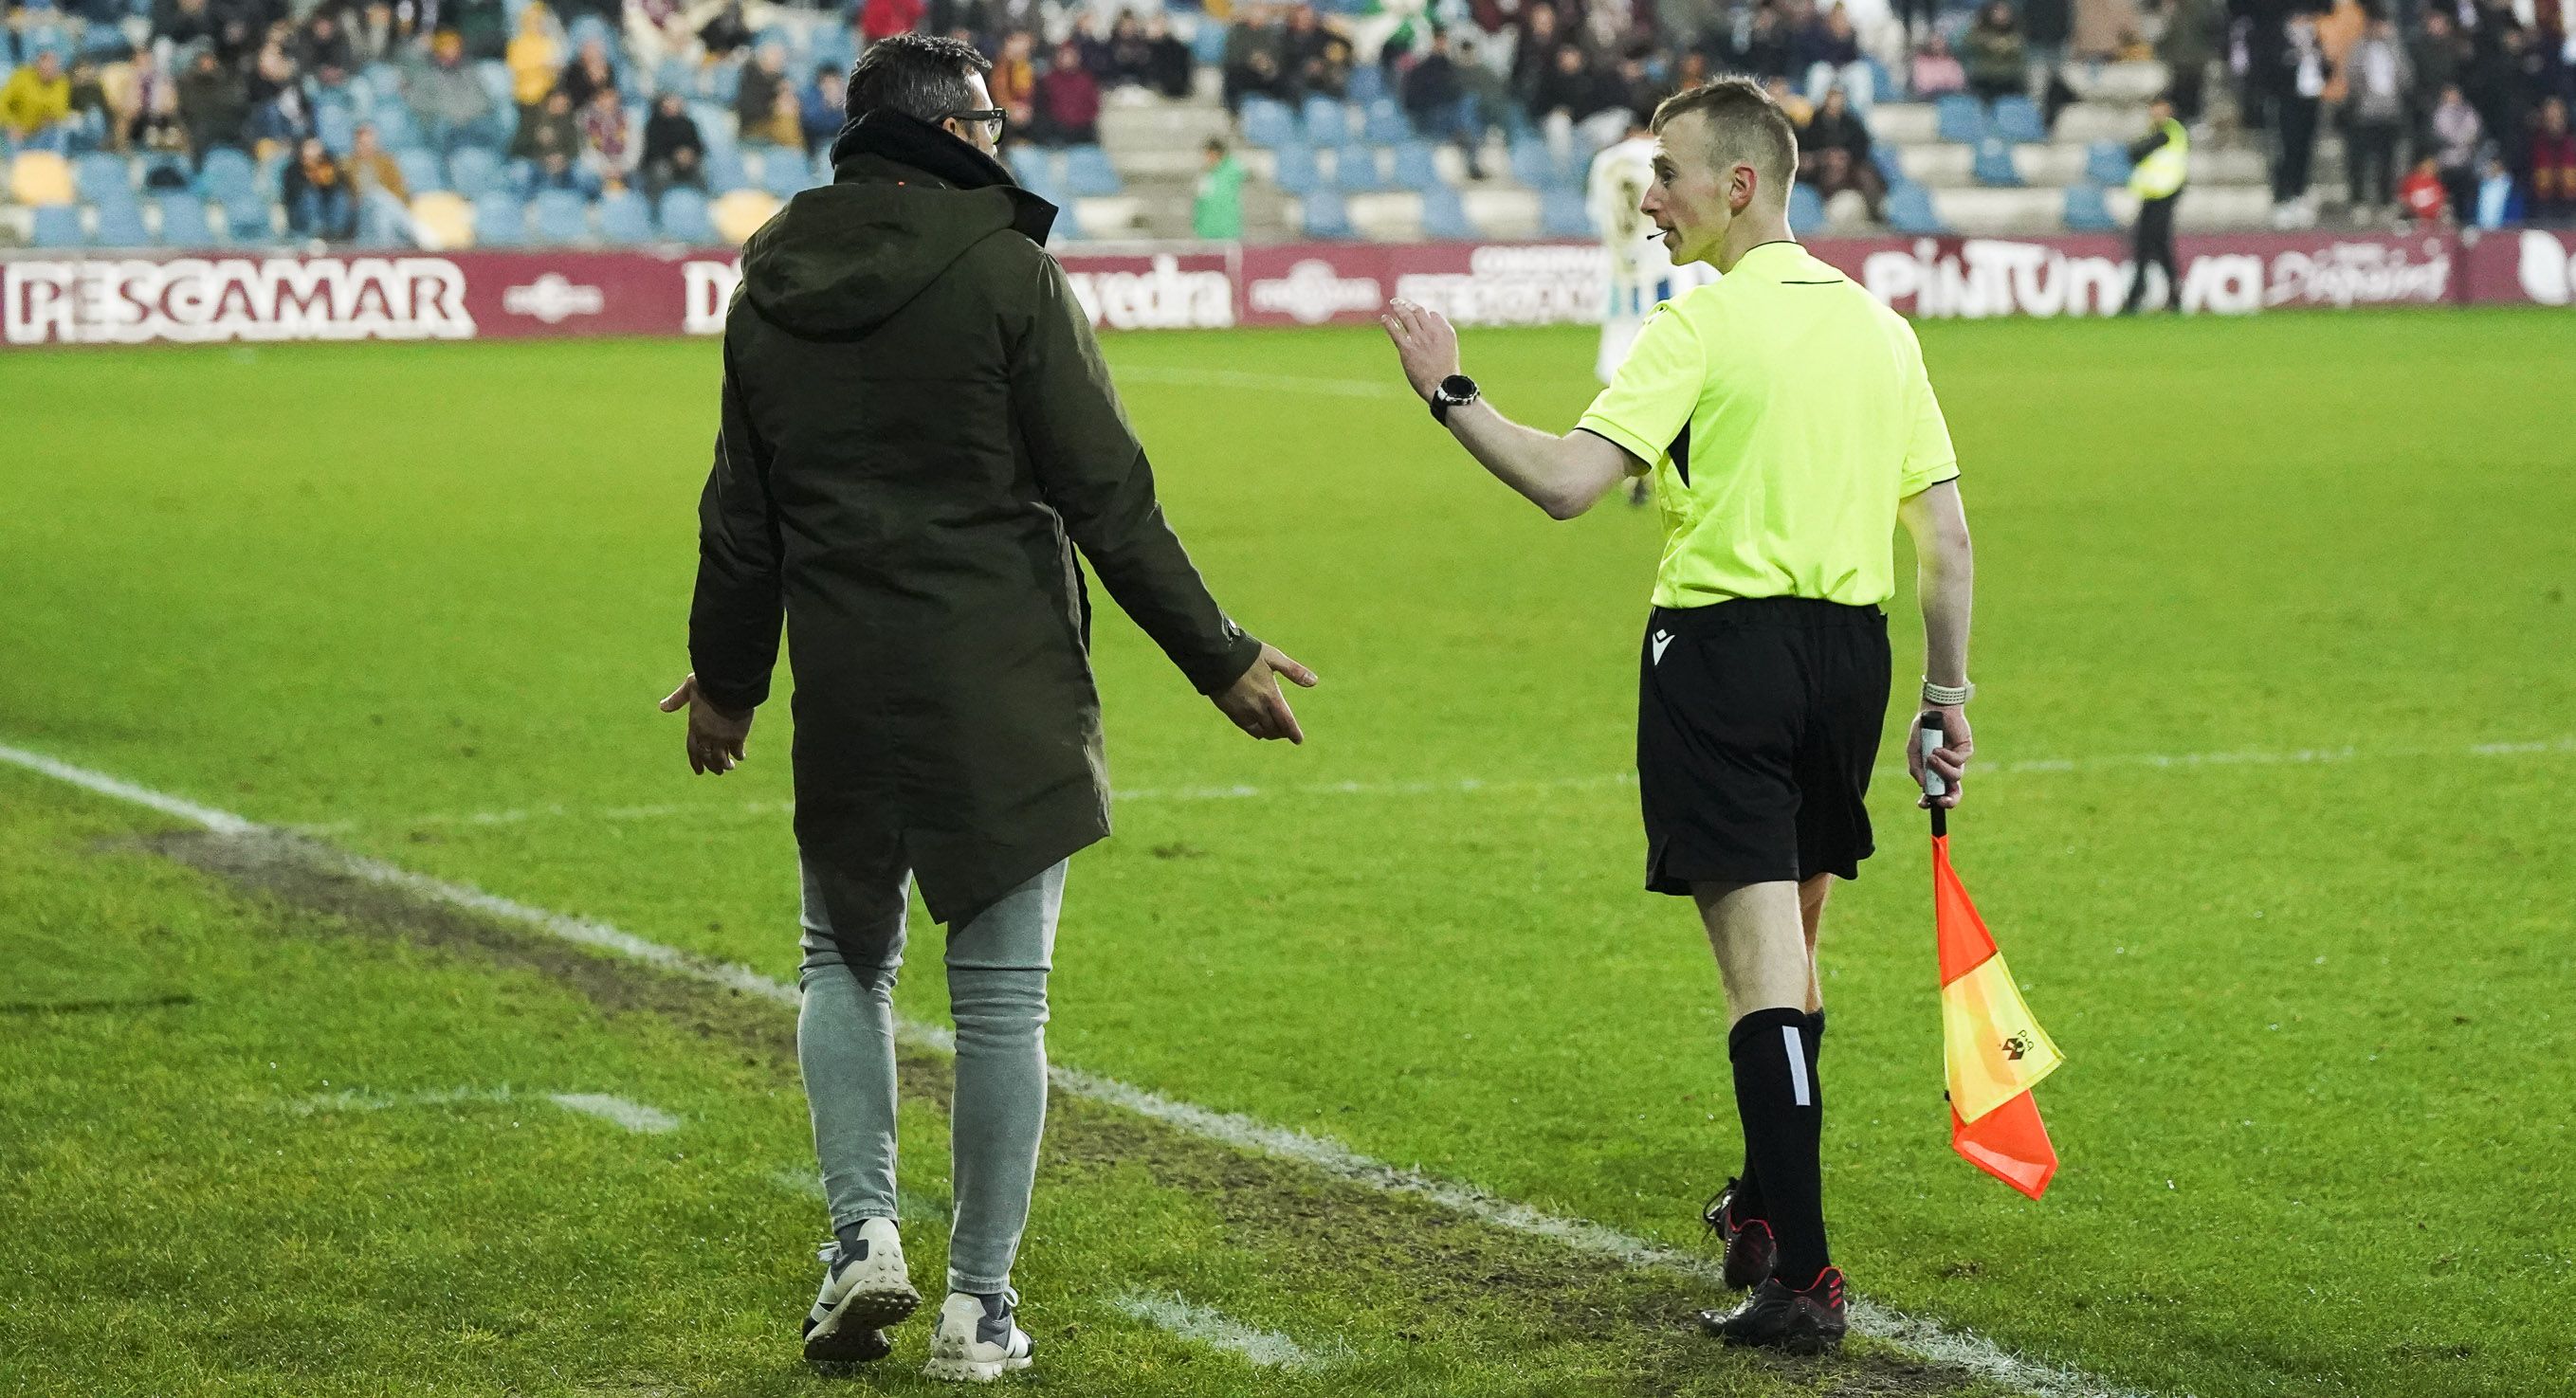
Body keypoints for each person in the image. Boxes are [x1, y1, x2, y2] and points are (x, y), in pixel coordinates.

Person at [664, 31, 1314, 1382]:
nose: (1006, 146)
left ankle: (859, 1237)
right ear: (955, 134)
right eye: (995, 127)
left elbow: (744, 513)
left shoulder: (764, 285)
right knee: (1002, 998)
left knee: (841, 955)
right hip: (999, 677)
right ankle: (977, 1305)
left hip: (847, 674)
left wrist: (729, 677)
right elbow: (1107, 495)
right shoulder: (1010, 273)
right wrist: (1222, 656)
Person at [1375, 76, 1974, 1355]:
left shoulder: (1696, 326)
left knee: (1761, 969)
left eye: (1670, 176)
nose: (1650, 199)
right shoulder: (1883, 329)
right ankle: (1758, 1206)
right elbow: (1949, 539)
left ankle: (1801, 1272)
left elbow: (1566, 484)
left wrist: (1449, 389)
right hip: (1852, 660)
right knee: (1800, 954)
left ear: (1740, 185)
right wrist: (1945, 699)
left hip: (1722, 656)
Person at [1589, 112, 1715, 393]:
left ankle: (1616, 426)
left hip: (1621, 270)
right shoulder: (1671, 157)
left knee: (1618, 358)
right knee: (1676, 351)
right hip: (1668, 267)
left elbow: (1596, 214)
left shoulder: (1605, 161)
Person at [2120, 94, 2187, 313]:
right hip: (2151, 196)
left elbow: (2137, 151)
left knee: (2152, 244)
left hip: (2165, 196)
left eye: (2160, 108)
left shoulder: (2170, 132)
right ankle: (2161, 293)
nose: (2156, 113)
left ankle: (2140, 294)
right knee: (2150, 245)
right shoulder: (2157, 133)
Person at [2338, 15, 2406, 223]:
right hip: (2364, 113)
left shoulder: (2395, 48)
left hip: (2390, 113)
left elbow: (2406, 76)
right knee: (2359, 160)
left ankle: (2386, 202)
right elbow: (2351, 73)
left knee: (2387, 161)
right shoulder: (2359, 47)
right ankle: (2359, 201)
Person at [1800, 85, 1886, 222]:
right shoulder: (1813, 123)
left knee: (1866, 175)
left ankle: (1876, 211)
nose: (1836, 102)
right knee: (1831, 172)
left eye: (1839, 98)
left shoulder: (1851, 123)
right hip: (1821, 166)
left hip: (1850, 164)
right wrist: (1825, 156)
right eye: (1833, 98)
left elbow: (1861, 146)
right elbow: (1806, 148)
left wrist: (1845, 156)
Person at [2429, 82, 2482, 223]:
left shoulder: (2468, 111)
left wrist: (2463, 139)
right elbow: (2444, 133)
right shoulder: (2440, 113)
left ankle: (2466, 220)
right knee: (2448, 196)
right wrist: (2461, 139)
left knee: (2465, 196)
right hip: (2447, 163)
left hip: (2465, 162)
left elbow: (2474, 131)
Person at [283, 135, 355, 239]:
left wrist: (326, 179)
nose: (313, 151)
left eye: (316, 147)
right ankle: (317, 231)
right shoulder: (292, 169)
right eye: (309, 147)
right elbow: (291, 195)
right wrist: (309, 176)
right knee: (309, 195)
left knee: (340, 196)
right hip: (300, 214)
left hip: (327, 210)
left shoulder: (329, 165)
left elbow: (341, 186)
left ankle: (337, 232)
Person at [1033, 40, 1101, 145]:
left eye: (1070, 56)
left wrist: (1079, 119)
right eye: (1064, 56)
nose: (1067, 59)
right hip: (1056, 130)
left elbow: (1093, 106)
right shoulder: (1048, 81)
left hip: (1081, 129)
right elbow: (1042, 107)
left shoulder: (1086, 80)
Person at [1, 48, 73, 144]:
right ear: (37, 64)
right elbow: (2, 103)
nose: (48, 70)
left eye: (53, 66)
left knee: (60, 133)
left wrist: (49, 119)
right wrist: (11, 125)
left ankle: (56, 158)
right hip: (15, 132)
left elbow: (61, 110)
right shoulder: (22, 76)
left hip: (42, 133)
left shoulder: (62, 83)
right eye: (45, 64)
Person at [641, 91, 706, 194]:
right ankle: (657, 205)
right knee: (661, 172)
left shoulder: (688, 123)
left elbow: (699, 146)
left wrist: (690, 154)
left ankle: (702, 200)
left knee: (702, 169)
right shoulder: (653, 125)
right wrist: (674, 156)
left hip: (687, 162)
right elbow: (653, 151)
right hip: (665, 161)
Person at [1961, 1, 2026, 105]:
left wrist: (1994, 44)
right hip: (1984, 78)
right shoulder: (1978, 31)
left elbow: (2013, 47)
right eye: (1997, 11)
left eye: (2005, 11)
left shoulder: (2016, 34)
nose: (2001, 15)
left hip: (2009, 79)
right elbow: (1967, 42)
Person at [2529, 97, 2576, 221]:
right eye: (2550, 118)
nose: (2554, 122)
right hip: (2541, 210)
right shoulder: (2533, 146)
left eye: (2558, 117)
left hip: (2571, 209)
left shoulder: (2572, 145)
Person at [1194, 136, 1244, 238]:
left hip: (1228, 232)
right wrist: (1197, 227)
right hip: (1206, 233)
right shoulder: (1204, 175)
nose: (1207, 157)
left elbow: (1244, 171)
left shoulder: (1231, 169)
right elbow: (1200, 203)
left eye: (1209, 153)